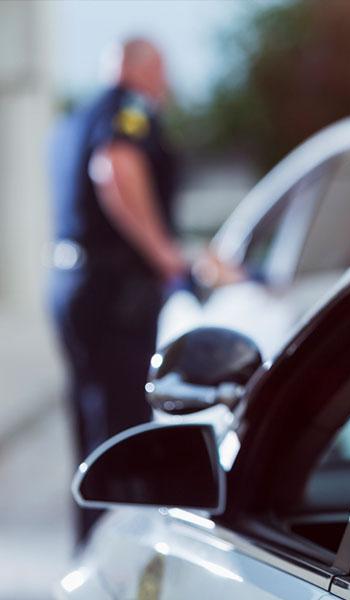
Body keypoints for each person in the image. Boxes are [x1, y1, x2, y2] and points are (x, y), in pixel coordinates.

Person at [48, 38, 186, 545]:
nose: (166, 84)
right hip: (114, 293)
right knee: (122, 430)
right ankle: (117, 559)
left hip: (70, 282)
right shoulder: (127, 110)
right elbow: (115, 167)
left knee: (90, 423)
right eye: (162, 70)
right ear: (140, 68)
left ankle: (90, 544)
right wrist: (164, 253)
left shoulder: (74, 117)